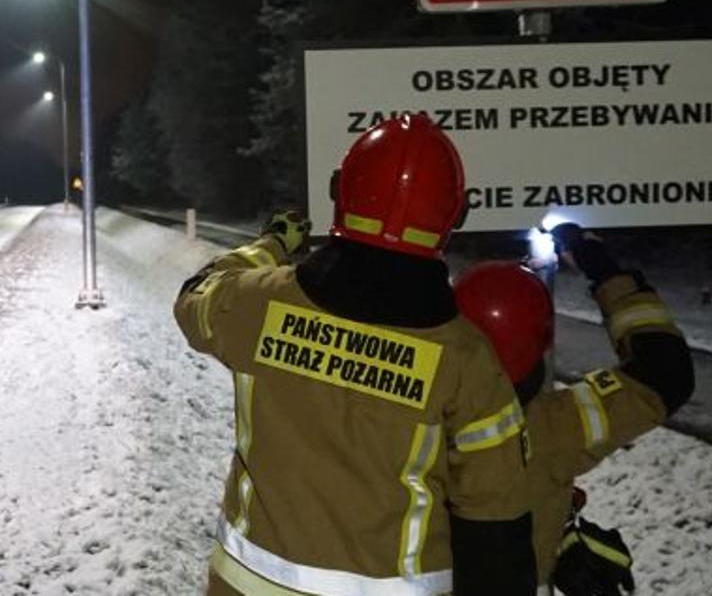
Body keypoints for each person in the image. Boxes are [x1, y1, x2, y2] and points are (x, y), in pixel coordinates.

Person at [173, 113, 535, 596]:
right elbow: (497, 535)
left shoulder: (257, 304)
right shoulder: (469, 363)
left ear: (340, 192)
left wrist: (272, 244)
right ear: (454, 216)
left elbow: (197, 294)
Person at [452, 225, 695, 596]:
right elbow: (665, 372)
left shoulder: (400, 416)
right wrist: (604, 271)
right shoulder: (557, 428)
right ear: (542, 340)